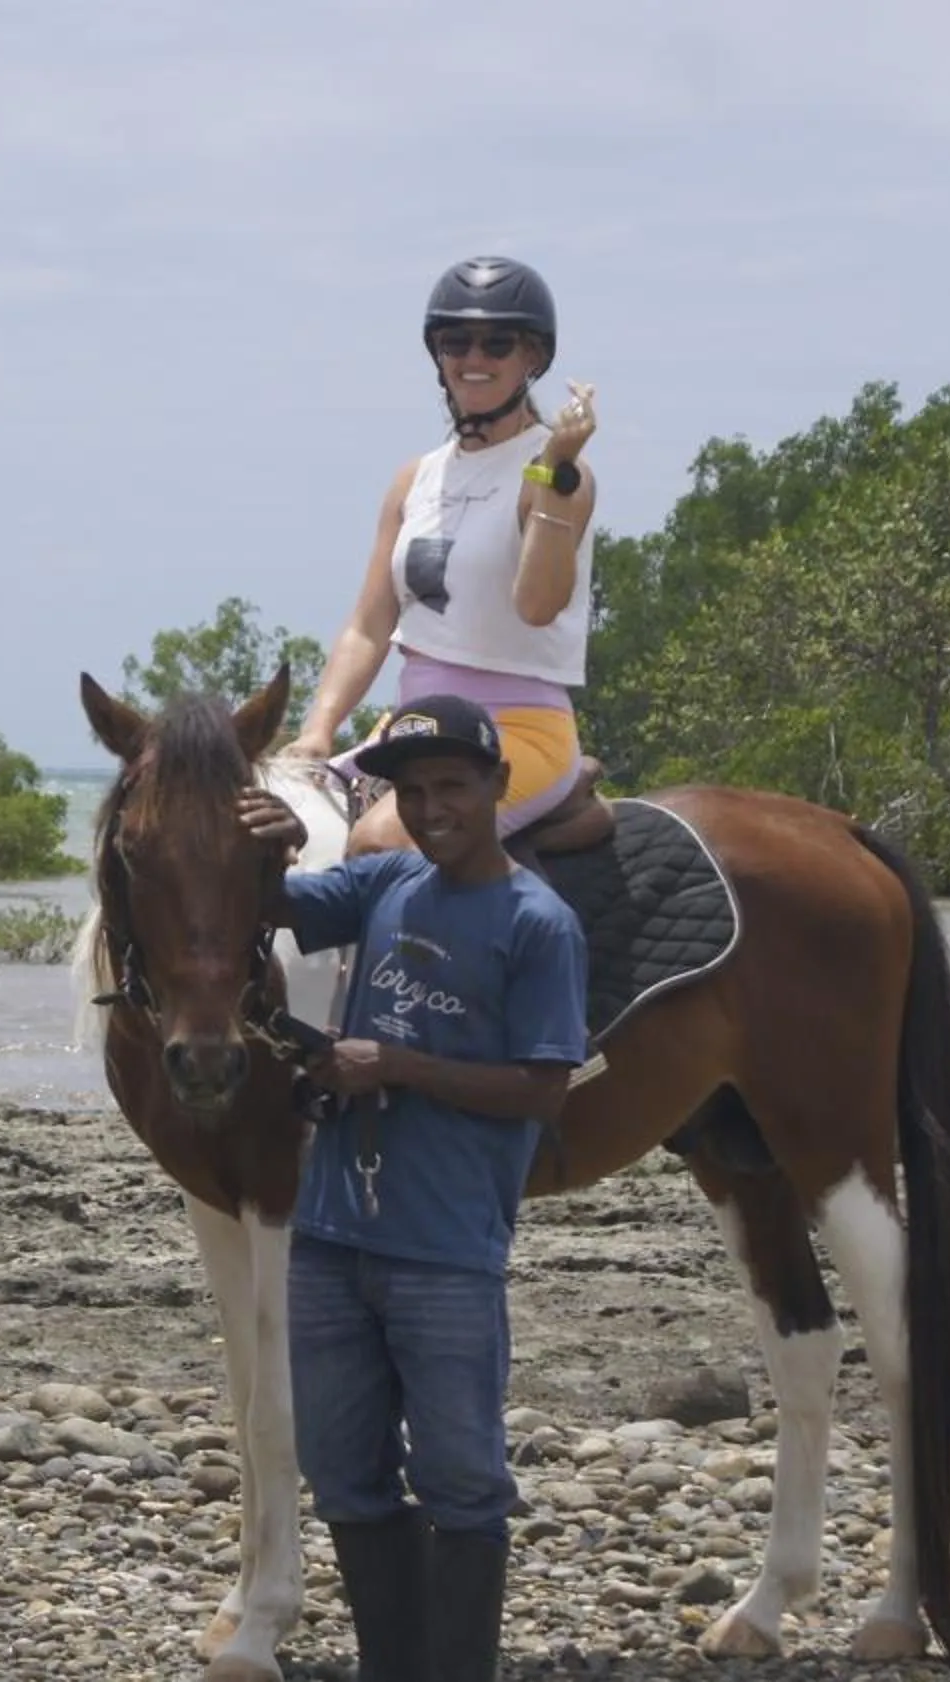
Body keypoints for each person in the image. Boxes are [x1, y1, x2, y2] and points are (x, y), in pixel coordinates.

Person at [237, 696, 589, 1682]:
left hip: (446, 1252)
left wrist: (393, 1064)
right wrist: (264, 843)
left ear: (498, 785)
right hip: (329, 1239)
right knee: (343, 1474)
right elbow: (274, 908)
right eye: (412, 791)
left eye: (451, 787)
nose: (431, 809)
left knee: (463, 1481)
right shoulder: (387, 879)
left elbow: (544, 1089)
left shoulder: (538, 923)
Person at [283, 256, 604, 856]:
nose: (473, 357)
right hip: (416, 726)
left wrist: (555, 468)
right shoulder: (415, 479)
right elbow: (369, 626)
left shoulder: (558, 473)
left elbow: (538, 606)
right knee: (274, 830)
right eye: (456, 341)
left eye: (497, 343)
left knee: (383, 843)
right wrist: (318, 731)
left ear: (533, 356)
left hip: (519, 729)